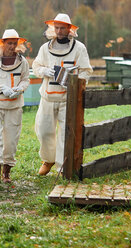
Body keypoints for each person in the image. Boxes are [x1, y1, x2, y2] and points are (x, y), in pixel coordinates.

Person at [32, 13, 92, 175]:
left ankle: (62, 166)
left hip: (68, 98)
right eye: (56, 28)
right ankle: (48, 159)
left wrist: (74, 81)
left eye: (62, 28)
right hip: (48, 97)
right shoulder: (45, 48)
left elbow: (86, 71)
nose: (59, 31)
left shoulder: (79, 48)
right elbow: (36, 66)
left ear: (69, 29)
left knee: (65, 133)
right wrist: (45, 70)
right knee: (44, 131)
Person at [0, 29, 30, 185]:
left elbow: (26, 80)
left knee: (11, 139)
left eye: (15, 43)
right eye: (9, 43)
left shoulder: (23, 62)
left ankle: (7, 172)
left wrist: (19, 89)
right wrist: (1, 88)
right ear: (3, 43)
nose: (12, 46)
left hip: (14, 105)